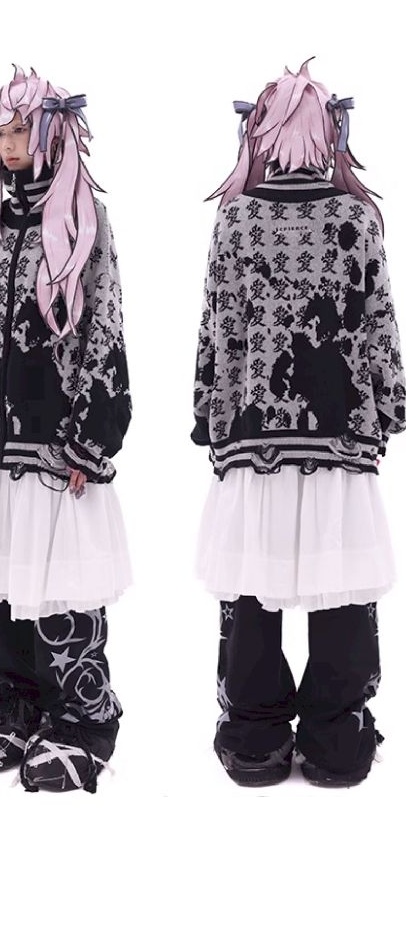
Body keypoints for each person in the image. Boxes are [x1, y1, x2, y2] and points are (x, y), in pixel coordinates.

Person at [193, 59, 404, 787]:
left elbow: (218, 324)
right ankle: (335, 734)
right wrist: (388, 405)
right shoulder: (354, 217)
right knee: (338, 583)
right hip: (338, 429)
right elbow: (378, 321)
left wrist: (211, 414)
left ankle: (256, 733)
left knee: (254, 581)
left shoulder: (238, 217)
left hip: (257, 429)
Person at [0, 66, 132, 793]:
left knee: (59, 579)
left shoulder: (85, 222)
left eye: (24, 129)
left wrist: (93, 433)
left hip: (56, 437)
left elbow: (105, 324)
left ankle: (80, 711)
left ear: (55, 131)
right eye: (2, 132)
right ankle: (9, 698)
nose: (12, 144)